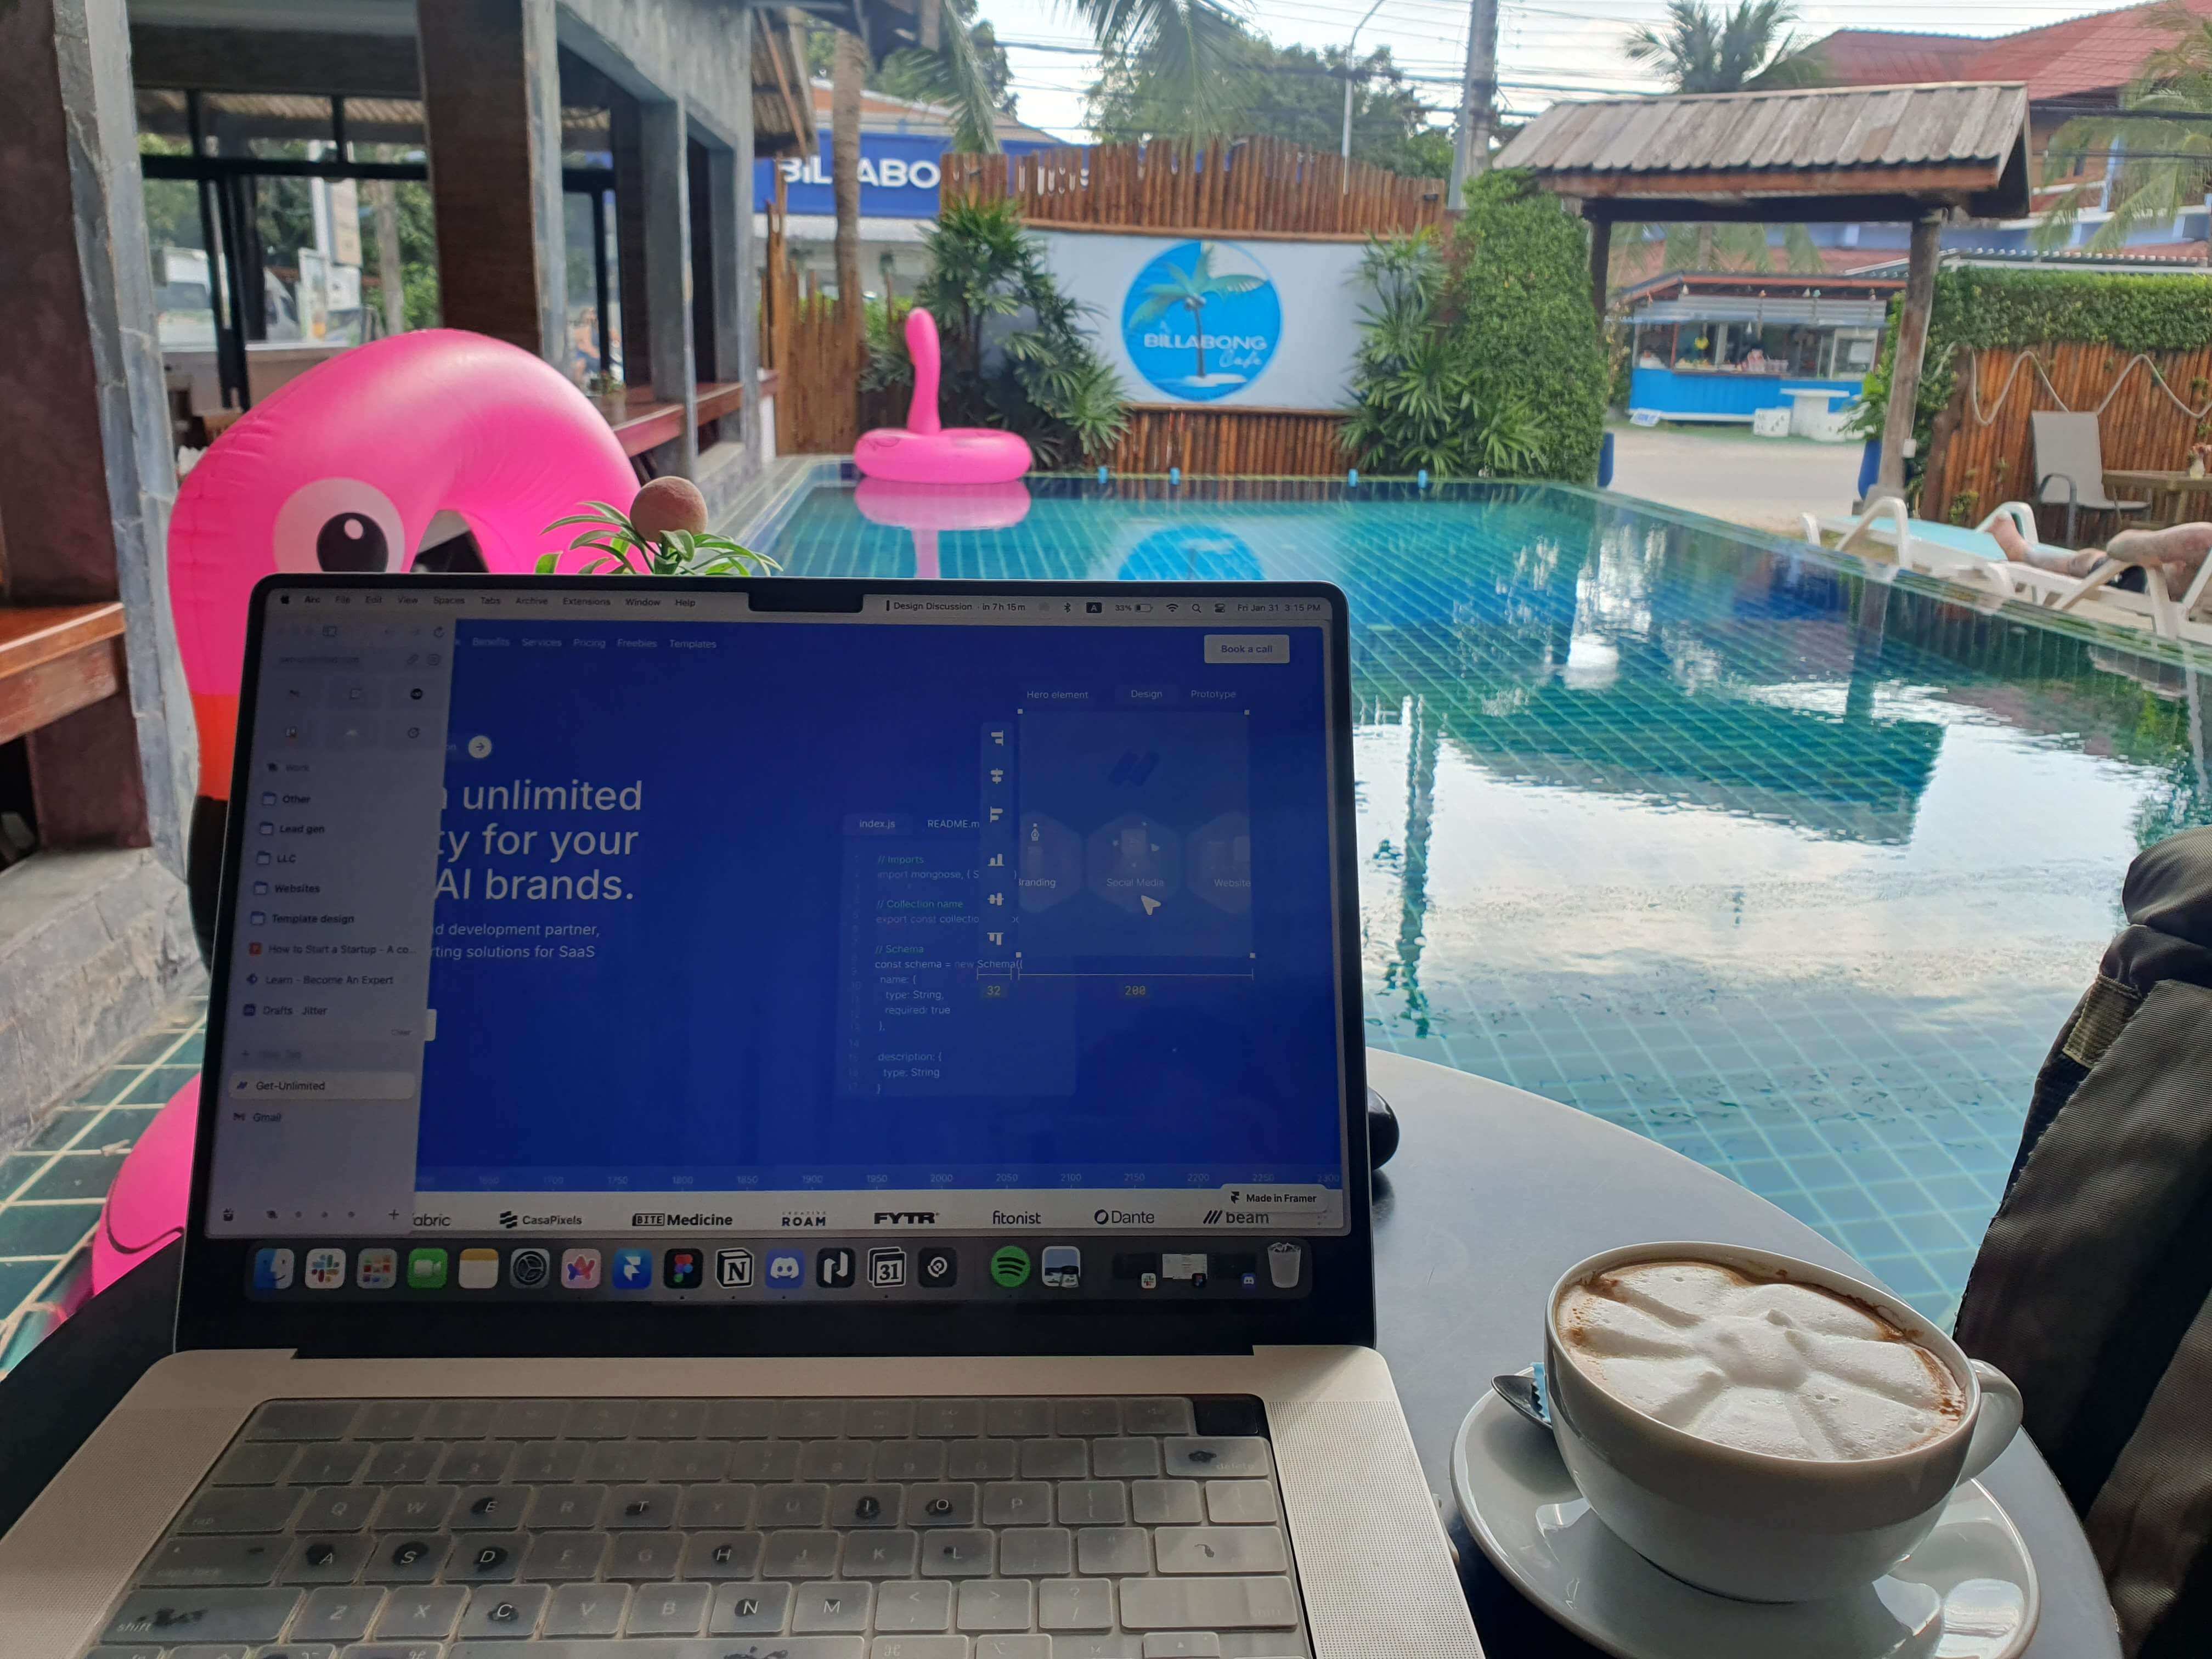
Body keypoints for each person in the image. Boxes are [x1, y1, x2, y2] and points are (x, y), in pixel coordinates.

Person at [1988, 514, 2212, 600]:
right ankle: (2025, 554)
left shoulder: (2201, 540)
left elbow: (2119, 546)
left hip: (2145, 581)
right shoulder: (2201, 541)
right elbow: (2119, 548)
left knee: (2091, 561)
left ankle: (2024, 553)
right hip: (2142, 578)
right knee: (2086, 562)